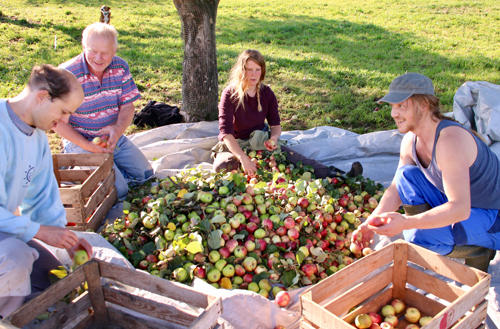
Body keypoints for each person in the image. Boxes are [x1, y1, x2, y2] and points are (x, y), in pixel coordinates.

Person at [352, 72, 499, 271]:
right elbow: (396, 189)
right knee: (406, 177)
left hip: (491, 216)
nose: (394, 114)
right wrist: (370, 224)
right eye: (393, 107)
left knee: (416, 235)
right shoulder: (411, 140)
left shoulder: (449, 142)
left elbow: (460, 208)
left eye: (401, 106)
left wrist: (406, 223)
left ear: (424, 105)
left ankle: (477, 250)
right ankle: (438, 234)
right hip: (462, 203)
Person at [0, 64, 92, 318]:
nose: (65, 122)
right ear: (42, 97)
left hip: (4, 228)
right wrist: (39, 232)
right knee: (17, 259)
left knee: (53, 278)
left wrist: (65, 240)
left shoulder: (38, 138)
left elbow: (43, 198)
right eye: (63, 112)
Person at [57, 22, 153, 200]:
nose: (98, 58)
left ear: (114, 51)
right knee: (119, 190)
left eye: (105, 53)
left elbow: (127, 107)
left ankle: (103, 170)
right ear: (83, 46)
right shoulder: (67, 74)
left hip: (112, 138)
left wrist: (117, 130)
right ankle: (78, 169)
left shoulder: (120, 67)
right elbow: (57, 124)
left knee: (146, 176)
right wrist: (88, 146)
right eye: (93, 51)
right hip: (81, 140)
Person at [213, 49, 282, 175]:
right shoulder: (229, 94)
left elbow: (275, 125)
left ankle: (325, 171)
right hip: (236, 142)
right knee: (221, 167)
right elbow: (226, 133)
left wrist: (273, 139)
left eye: (257, 70)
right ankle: (244, 162)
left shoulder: (266, 93)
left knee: (286, 157)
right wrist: (243, 158)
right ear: (241, 71)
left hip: (258, 139)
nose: (254, 74)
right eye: (249, 70)